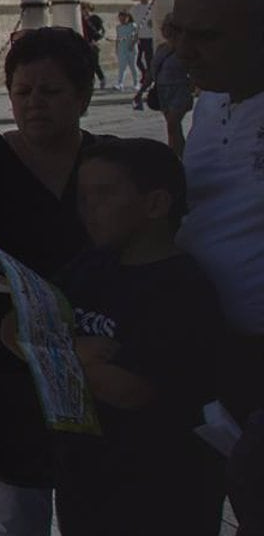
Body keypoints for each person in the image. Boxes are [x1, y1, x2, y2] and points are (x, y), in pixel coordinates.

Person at [0, 27, 98, 535]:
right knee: (7, 512)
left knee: (98, 503)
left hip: (97, 358)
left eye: (51, 92)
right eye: (22, 92)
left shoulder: (112, 165)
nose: (35, 103)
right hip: (1, 362)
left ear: (82, 96)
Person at [51, 138, 227, 536]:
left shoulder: (182, 288)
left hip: (162, 490)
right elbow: (17, 324)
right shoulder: (91, 265)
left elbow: (128, 389)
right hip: (86, 477)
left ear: (155, 204)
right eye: (82, 196)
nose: (88, 209)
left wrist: (54, 352)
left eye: (105, 194)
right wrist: (76, 354)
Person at [170, 0, 264, 471]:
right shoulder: (209, 105)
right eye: (176, 31)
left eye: (206, 37)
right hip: (210, 351)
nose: (184, 51)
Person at [146, 18, 193, 157]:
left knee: (173, 124)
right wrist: (142, 90)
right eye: (163, 26)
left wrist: (194, 86)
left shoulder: (184, 48)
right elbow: (152, 70)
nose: (163, 29)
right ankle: (179, 155)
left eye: (167, 26)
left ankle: (176, 156)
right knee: (173, 128)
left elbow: (194, 68)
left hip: (179, 90)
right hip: (162, 91)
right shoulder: (161, 48)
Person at [80, 3, 107, 87]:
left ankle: (102, 78)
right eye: (82, 8)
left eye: (84, 8)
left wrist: (95, 40)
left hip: (93, 44)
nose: (83, 10)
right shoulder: (79, 19)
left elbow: (101, 31)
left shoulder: (94, 19)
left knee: (95, 64)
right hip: (83, 44)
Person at [111, 11, 137, 92]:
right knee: (122, 67)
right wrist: (116, 48)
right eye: (120, 18)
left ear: (128, 17)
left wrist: (132, 44)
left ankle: (136, 83)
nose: (122, 20)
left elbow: (136, 36)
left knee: (133, 66)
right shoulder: (118, 27)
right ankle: (120, 83)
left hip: (131, 49)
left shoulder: (133, 26)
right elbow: (118, 38)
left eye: (124, 18)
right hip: (122, 49)